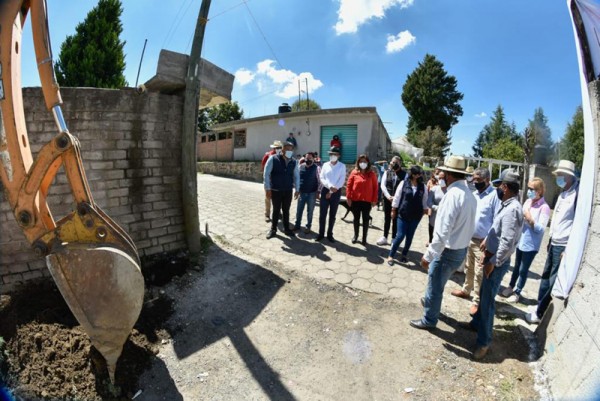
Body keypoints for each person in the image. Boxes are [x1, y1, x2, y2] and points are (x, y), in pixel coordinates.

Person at [409, 155, 477, 331]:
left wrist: (428, 255)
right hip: (460, 249)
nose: (441, 176)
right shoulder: (470, 195)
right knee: (438, 283)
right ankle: (430, 302)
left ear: (449, 174)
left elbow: (441, 233)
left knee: (434, 284)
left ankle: (429, 320)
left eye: (443, 173)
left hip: (447, 251)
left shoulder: (452, 195)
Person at [461, 171, 523, 360]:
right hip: (491, 256)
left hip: (496, 261)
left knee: (487, 302)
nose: (497, 189)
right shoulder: (507, 205)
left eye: (499, 185)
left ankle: (484, 343)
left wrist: (493, 263)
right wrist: (488, 239)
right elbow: (498, 229)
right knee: (482, 294)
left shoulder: (513, 209)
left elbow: (507, 242)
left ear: (505, 187)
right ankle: (477, 323)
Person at [526, 160, 579, 324]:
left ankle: (540, 313)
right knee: (545, 276)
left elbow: (576, 223)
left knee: (552, 280)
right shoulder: (563, 193)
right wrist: (550, 238)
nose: (559, 178)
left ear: (569, 176)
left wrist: (569, 247)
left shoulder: (576, 195)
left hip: (563, 244)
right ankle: (538, 305)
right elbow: (557, 219)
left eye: (561, 176)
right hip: (554, 240)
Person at [451, 167, 500, 316]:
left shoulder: (494, 196)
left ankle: (477, 300)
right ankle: (466, 290)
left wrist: (488, 239)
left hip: (483, 242)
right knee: (469, 267)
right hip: (470, 238)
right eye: (473, 179)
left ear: (487, 180)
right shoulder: (474, 194)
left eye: (477, 180)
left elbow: (497, 220)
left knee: (480, 272)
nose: (474, 182)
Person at [500, 177, 551, 303]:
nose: (529, 191)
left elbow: (541, 229)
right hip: (521, 240)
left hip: (531, 244)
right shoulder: (528, 201)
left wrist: (530, 219)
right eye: (528, 188)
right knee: (516, 266)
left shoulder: (544, 207)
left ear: (539, 191)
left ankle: (517, 292)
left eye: (532, 189)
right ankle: (511, 286)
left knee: (523, 269)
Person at [387, 165, 428, 265]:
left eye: (419, 174)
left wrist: (424, 211)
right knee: (400, 235)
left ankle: (404, 255)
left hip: (415, 216)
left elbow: (424, 201)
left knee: (410, 236)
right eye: (416, 174)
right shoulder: (403, 183)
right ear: (412, 174)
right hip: (403, 214)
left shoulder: (423, 187)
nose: (417, 176)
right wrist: (393, 210)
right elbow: (397, 197)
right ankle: (391, 255)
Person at [264, 140, 300, 239]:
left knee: (286, 210)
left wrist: (297, 189)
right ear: (282, 149)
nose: (289, 150)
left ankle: (287, 229)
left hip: (288, 190)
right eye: (287, 148)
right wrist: (267, 188)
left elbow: (296, 176)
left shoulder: (294, 161)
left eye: (291, 149)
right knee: (276, 210)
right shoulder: (273, 159)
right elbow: (266, 174)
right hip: (276, 190)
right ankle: (273, 229)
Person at [346, 155, 378, 245]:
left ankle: (364, 238)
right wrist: (348, 197)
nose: (362, 163)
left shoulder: (371, 174)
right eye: (361, 161)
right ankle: (356, 236)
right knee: (356, 219)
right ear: (358, 162)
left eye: (364, 161)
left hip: (367, 201)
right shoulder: (354, 172)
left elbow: (375, 187)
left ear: (368, 163)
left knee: (366, 220)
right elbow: (349, 185)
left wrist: (374, 199)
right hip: (356, 200)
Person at [316, 146, 346, 242]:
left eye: (335, 154)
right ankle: (321, 234)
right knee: (322, 214)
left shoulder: (342, 166)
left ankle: (330, 234)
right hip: (325, 191)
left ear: (339, 155)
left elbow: (341, 180)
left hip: (336, 192)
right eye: (331, 154)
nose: (332, 156)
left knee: (332, 215)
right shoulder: (325, 165)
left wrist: (332, 191)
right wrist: (329, 187)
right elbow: (322, 178)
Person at [377, 156, 406, 246]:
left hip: (398, 201)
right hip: (387, 199)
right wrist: (388, 196)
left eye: (396, 162)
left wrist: (396, 198)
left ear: (400, 163)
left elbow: (404, 187)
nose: (394, 164)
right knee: (387, 218)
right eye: (393, 162)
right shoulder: (387, 172)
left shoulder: (405, 175)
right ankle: (385, 237)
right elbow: (383, 185)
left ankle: (394, 238)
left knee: (395, 220)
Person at [293, 152, 320, 234]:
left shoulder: (317, 168)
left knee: (310, 211)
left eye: (310, 158)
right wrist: (297, 190)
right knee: (299, 210)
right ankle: (297, 225)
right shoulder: (300, 166)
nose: (308, 160)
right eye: (307, 158)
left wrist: (318, 192)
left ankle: (308, 226)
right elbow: (296, 179)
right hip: (302, 193)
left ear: (313, 159)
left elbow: (320, 181)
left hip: (312, 194)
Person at [261, 140, 283, 222]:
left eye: (280, 147)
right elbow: (263, 167)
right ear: (274, 148)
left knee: (279, 198)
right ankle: (267, 214)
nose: (278, 149)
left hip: (280, 181)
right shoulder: (268, 155)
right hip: (270, 181)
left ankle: (278, 212)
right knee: (268, 197)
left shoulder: (284, 155)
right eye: (277, 147)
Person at [427, 170, 447, 246]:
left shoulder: (450, 190)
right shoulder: (434, 189)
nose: (441, 180)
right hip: (434, 216)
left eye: (443, 178)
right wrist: (436, 207)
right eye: (440, 178)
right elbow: (429, 202)